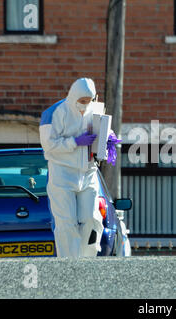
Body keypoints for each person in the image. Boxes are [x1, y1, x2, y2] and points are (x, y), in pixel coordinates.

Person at [39, 77, 118, 257]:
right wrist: (74, 142)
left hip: (88, 172)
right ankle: (69, 263)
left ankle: (86, 259)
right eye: (82, 101)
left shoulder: (94, 109)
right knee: (66, 222)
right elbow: (49, 145)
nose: (86, 105)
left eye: (89, 101)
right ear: (74, 96)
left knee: (92, 218)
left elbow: (101, 127)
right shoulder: (54, 113)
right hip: (62, 174)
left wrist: (109, 137)